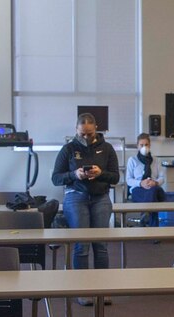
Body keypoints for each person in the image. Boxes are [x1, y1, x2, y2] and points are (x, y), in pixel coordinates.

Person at [51, 112, 120, 305]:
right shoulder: (69, 149)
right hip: (76, 197)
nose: (86, 137)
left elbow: (115, 177)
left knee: (101, 245)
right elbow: (56, 178)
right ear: (76, 130)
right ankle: (82, 290)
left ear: (96, 129)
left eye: (89, 133)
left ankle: (102, 289)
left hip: (100, 198)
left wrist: (101, 173)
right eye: (82, 134)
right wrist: (74, 174)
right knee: (82, 245)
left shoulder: (107, 149)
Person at [125, 132, 166, 227]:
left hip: (154, 188)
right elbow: (129, 180)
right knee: (153, 200)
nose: (144, 147)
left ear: (150, 145)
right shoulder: (132, 160)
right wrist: (140, 183)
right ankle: (154, 232)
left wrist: (155, 182)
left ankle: (145, 214)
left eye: (146, 144)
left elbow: (162, 178)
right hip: (138, 189)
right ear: (137, 146)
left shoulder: (156, 160)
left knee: (153, 191)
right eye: (141, 145)